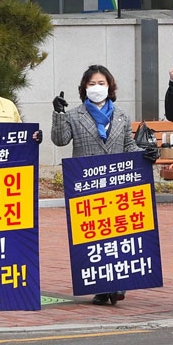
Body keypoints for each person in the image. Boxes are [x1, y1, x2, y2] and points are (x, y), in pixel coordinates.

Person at [51, 65, 159, 306]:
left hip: (117, 182)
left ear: (110, 87)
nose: (97, 88)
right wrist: (58, 114)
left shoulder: (121, 116)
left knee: (118, 236)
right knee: (92, 239)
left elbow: (129, 147)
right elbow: (60, 141)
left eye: (101, 83)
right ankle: (101, 288)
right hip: (86, 183)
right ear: (84, 88)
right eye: (91, 84)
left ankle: (118, 284)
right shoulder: (74, 115)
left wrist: (146, 154)